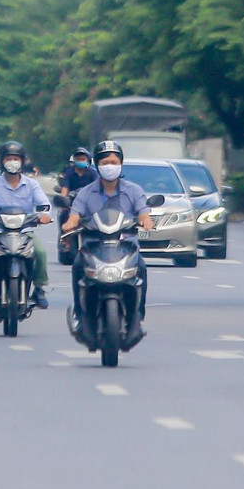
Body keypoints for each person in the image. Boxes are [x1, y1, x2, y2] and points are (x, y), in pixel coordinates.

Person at [60, 140, 154, 344]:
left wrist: (145, 219)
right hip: (93, 245)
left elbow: (143, 211)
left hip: (125, 245)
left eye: (113, 161)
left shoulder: (134, 190)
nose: (109, 165)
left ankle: (138, 317)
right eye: (104, 162)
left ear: (120, 163)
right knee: (77, 267)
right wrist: (71, 222)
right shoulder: (86, 192)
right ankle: (80, 315)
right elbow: (75, 213)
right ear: (97, 165)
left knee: (142, 268)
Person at [0, 141, 51, 309]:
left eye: (16, 158)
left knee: (41, 252)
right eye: (9, 158)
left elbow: (45, 204)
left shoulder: (32, 184)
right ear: (2, 161)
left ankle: (39, 289)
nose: (12, 162)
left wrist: (45, 215)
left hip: (25, 232)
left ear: (22, 161)